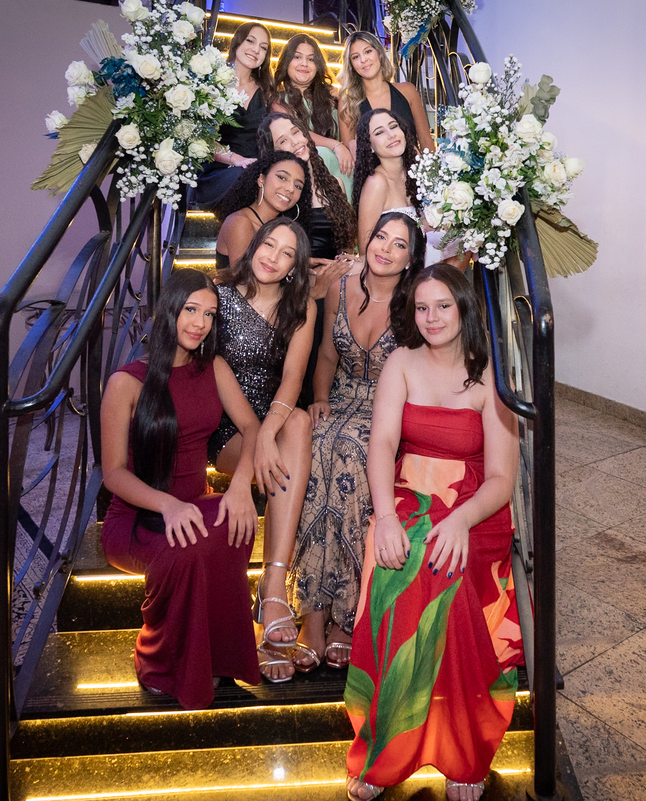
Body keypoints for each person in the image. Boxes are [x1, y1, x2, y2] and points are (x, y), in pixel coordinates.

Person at [344, 263, 523, 801]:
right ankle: (385, 747)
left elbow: (502, 479)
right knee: (399, 562)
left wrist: (461, 519)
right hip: (408, 494)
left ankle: (463, 749)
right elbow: (382, 443)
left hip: (474, 505)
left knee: (443, 569)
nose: (432, 317)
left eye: (443, 305)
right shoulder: (401, 363)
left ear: (464, 307)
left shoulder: (491, 374)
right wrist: (385, 516)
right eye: (422, 307)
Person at [99, 268, 262, 711]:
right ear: (168, 310)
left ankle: (219, 656)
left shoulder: (214, 368)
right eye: (191, 310)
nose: (200, 323)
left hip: (195, 507)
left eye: (209, 314)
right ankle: (157, 660)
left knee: (236, 523)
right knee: (188, 547)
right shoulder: (126, 382)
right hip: (137, 520)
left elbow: (251, 427)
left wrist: (241, 485)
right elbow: (113, 473)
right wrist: (168, 505)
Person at [288, 212, 426, 673]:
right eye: (380, 237)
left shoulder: (416, 301)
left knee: (349, 452)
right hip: (340, 396)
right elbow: (327, 354)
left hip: (390, 408)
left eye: (399, 244)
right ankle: (313, 611)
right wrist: (319, 398)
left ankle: (348, 614)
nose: (385, 248)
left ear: (411, 259)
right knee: (315, 444)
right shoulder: (340, 286)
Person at [210, 217, 317, 684]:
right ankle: (272, 597)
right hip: (226, 425)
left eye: (286, 252)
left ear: (295, 266)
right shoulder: (218, 296)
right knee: (290, 450)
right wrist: (258, 438)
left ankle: (273, 582)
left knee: (299, 422)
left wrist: (269, 434)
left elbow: (293, 378)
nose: (273, 257)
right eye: (268, 245)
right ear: (253, 246)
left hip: (274, 418)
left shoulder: (301, 307)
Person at [257, 111, 357, 408]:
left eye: (296, 132)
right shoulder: (281, 196)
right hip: (297, 288)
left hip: (334, 281)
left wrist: (344, 262)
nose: (295, 141)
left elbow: (343, 242)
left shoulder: (335, 184)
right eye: (283, 141)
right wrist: (311, 274)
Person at [194, 22, 274, 208]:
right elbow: (201, 138)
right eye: (250, 41)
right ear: (237, 42)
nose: (256, 50)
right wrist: (236, 159)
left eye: (263, 47)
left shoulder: (267, 90)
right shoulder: (211, 82)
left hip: (255, 167)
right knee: (246, 177)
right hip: (220, 171)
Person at [337, 31, 435, 161]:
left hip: (412, 168)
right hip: (373, 172)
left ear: (379, 53)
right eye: (355, 57)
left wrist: (432, 170)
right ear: (351, 65)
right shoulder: (348, 102)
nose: (363, 60)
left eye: (368, 51)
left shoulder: (408, 91)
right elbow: (348, 154)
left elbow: (425, 140)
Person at [214, 151, 313, 270]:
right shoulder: (240, 223)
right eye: (282, 178)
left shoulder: (283, 228)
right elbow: (245, 278)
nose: (290, 189)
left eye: (298, 186)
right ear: (261, 179)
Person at [271, 34, 354, 176]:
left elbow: (348, 142)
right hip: (303, 168)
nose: (304, 63)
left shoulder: (335, 96)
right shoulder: (279, 102)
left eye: (311, 59)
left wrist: (343, 149)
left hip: (341, 164)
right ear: (287, 62)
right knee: (321, 153)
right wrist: (335, 145)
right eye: (297, 57)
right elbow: (298, 134)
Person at [353, 109, 421, 253]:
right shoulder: (376, 183)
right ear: (370, 146)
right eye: (379, 132)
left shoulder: (418, 172)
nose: (391, 135)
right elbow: (365, 250)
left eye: (393, 126)